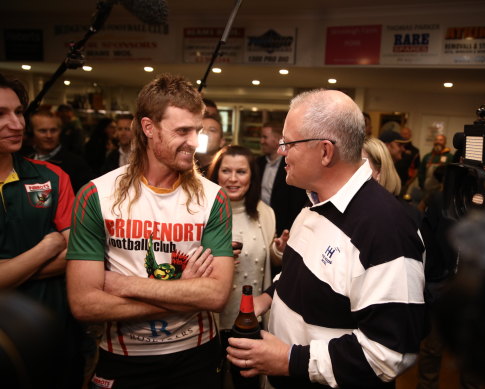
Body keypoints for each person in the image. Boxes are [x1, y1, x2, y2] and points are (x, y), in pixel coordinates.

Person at [226, 89, 426, 388]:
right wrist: (268, 297)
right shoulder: (315, 204)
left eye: (289, 143)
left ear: (325, 151)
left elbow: (390, 352)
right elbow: (301, 274)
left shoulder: (385, 228)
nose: (281, 151)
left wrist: (288, 360)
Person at [66, 73, 235, 389]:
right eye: (182, 131)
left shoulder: (214, 198)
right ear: (148, 128)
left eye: (197, 130)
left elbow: (215, 294)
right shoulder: (96, 195)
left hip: (196, 355)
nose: (194, 141)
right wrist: (184, 293)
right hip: (124, 357)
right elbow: (84, 304)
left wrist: (123, 284)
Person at [0, 73, 84, 388]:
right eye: (1, 114)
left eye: (19, 112)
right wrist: (47, 246)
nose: (17, 124)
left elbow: (77, 253)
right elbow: (61, 248)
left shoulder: (52, 177)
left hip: (54, 333)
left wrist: (10, 270)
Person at [207, 145, 287, 388]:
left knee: (247, 385)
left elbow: (266, 263)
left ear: (252, 176)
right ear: (215, 174)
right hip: (210, 321)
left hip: (249, 321)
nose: (233, 179)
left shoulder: (265, 213)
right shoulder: (202, 212)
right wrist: (216, 257)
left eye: (241, 172)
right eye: (226, 171)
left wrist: (279, 251)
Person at [257, 121, 307, 236]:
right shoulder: (258, 163)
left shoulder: (291, 167)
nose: (261, 141)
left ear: (278, 139)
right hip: (260, 225)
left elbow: (296, 202)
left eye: (265, 137)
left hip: (283, 228)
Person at [27, 109, 94, 193]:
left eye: (53, 130)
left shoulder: (75, 164)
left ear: (60, 131)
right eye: (43, 131)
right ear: (32, 133)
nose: (49, 135)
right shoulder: (24, 159)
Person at [417, 134, 453, 199]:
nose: (438, 142)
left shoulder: (450, 157)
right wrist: (422, 185)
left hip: (442, 192)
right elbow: (421, 172)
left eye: (441, 140)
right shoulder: (427, 156)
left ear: (445, 142)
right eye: (436, 140)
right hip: (427, 190)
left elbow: (452, 175)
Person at [395, 127, 420, 195]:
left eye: (406, 134)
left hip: (405, 183)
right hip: (393, 180)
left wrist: (407, 184)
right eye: (402, 134)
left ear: (410, 135)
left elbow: (416, 170)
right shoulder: (395, 148)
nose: (404, 136)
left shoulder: (415, 151)